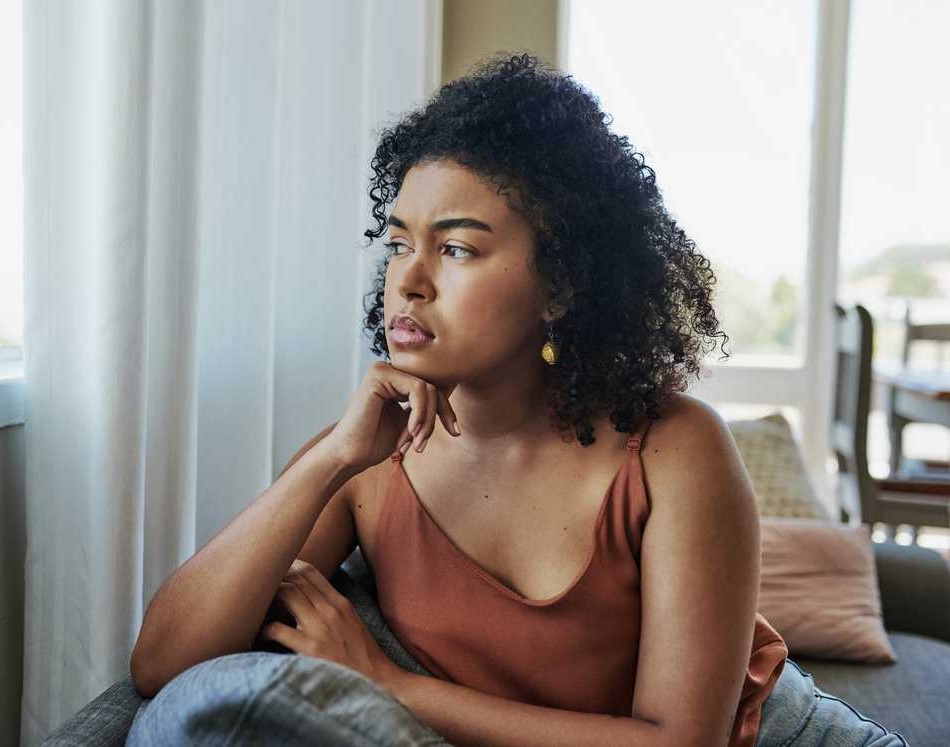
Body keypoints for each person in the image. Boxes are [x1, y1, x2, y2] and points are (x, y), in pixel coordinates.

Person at [127, 52, 908, 746]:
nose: (408, 278)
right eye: (399, 242)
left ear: (561, 283)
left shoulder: (675, 448)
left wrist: (392, 685)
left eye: (457, 247)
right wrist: (327, 461)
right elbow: (162, 662)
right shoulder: (366, 456)